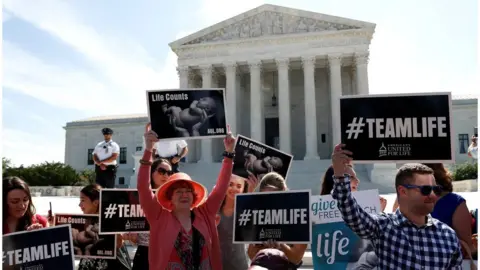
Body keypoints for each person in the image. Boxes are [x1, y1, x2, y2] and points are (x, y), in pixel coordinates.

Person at [331, 144, 463, 269]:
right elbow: (353, 215)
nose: (433, 195)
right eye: (426, 189)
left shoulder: (448, 235)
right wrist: (339, 174)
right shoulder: (384, 227)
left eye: (436, 189)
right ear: (403, 191)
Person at [138, 123, 235, 270]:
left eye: (188, 190)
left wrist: (229, 154)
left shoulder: (205, 214)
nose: (184, 194)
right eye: (178, 191)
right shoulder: (159, 217)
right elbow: (144, 189)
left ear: (194, 195)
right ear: (170, 197)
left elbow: (221, 188)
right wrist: (148, 150)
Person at [247, 172, 307, 268]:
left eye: (274, 196)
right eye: (266, 197)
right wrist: (265, 247)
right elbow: (251, 253)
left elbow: (296, 258)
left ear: (283, 193)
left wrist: (281, 245)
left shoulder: (298, 215)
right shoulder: (259, 215)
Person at [126, 158, 174, 270]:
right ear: (151, 172)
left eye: (169, 173)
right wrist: (131, 232)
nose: (165, 175)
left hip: (169, 253)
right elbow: (130, 221)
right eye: (161, 171)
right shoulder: (139, 197)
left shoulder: (174, 197)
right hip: (144, 252)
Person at [77, 184, 132, 270]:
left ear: (96, 202)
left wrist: (118, 235)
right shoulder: (86, 220)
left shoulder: (112, 220)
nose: (79, 204)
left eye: (83, 200)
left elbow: (118, 243)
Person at [217, 172, 259, 270]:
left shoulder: (244, 210)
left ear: (243, 189)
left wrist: (251, 191)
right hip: (217, 264)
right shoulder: (215, 209)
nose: (234, 189)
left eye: (239, 186)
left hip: (240, 265)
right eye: (230, 184)